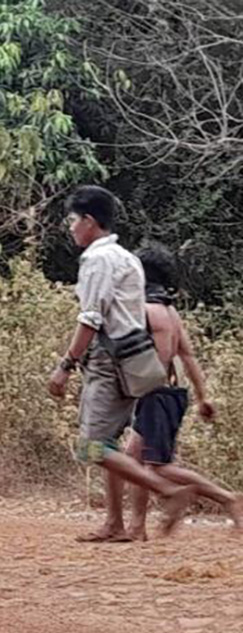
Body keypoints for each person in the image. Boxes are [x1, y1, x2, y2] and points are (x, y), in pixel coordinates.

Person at [47, 186, 195, 539]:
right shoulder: (127, 258)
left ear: (89, 221)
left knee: (93, 446)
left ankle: (168, 491)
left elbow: (91, 318)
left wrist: (66, 365)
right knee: (109, 442)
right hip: (133, 359)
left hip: (107, 359)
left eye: (73, 220)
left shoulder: (98, 260)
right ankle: (114, 522)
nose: (71, 227)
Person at [98, 244, 241, 541]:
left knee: (157, 467)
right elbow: (187, 355)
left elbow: (147, 358)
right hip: (169, 393)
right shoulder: (170, 311)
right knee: (134, 460)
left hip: (157, 394)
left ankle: (227, 498)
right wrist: (202, 396)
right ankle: (137, 527)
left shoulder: (146, 311)